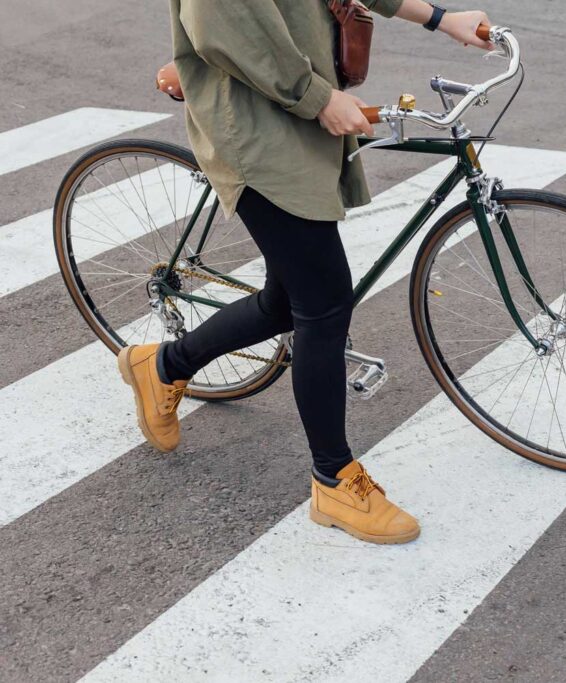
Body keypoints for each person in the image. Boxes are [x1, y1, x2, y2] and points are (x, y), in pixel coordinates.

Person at [118, 0, 492, 545]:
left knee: (287, 299)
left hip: (295, 111)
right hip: (256, 127)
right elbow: (227, 21)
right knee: (324, 302)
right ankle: (334, 479)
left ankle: (162, 365)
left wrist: (439, 17)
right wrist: (319, 99)